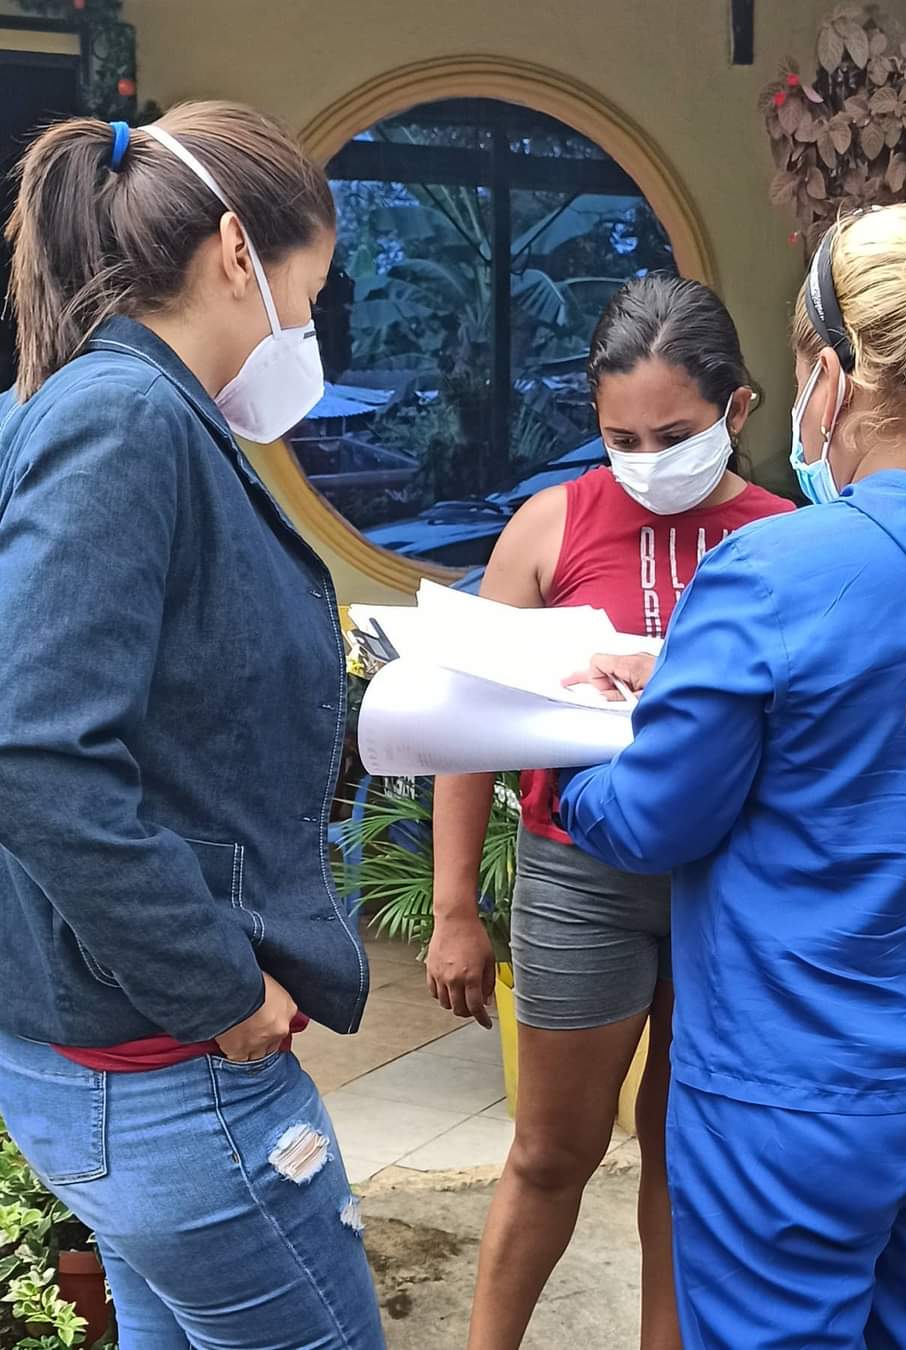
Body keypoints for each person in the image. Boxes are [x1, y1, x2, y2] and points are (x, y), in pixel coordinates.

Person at [559, 203, 906, 1348]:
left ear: (833, 377)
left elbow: (653, 821)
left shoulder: (773, 572)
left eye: (799, 375)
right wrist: (695, 679)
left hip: (797, 1093)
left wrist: (566, 757)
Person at [0, 104, 384, 1349]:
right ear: (235, 252)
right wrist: (217, 987)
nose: (306, 331)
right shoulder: (125, 420)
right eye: (309, 294)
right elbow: (38, 754)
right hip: (165, 1069)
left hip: (117, 1065)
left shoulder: (107, 407)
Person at [426, 273, 794, 1349]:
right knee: (553, 1150)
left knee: (686, 1154)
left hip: (728, 882)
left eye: (672, 436)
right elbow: (469, 727)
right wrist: (454, 906)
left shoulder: (787, 538)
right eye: (621, 438)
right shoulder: (551, 525)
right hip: (578, 878)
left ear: (736, 408)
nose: (646, 460)